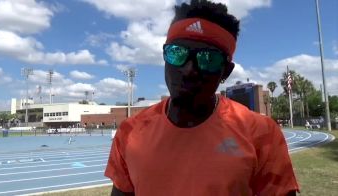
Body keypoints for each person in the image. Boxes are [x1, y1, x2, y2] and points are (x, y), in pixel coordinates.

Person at [105, 0, 299, 195]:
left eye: (208, 59)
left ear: (226, 72)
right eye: (176, 53)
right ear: (164, 57)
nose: (189, 70)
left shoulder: (261, 134)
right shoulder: (130, 132)